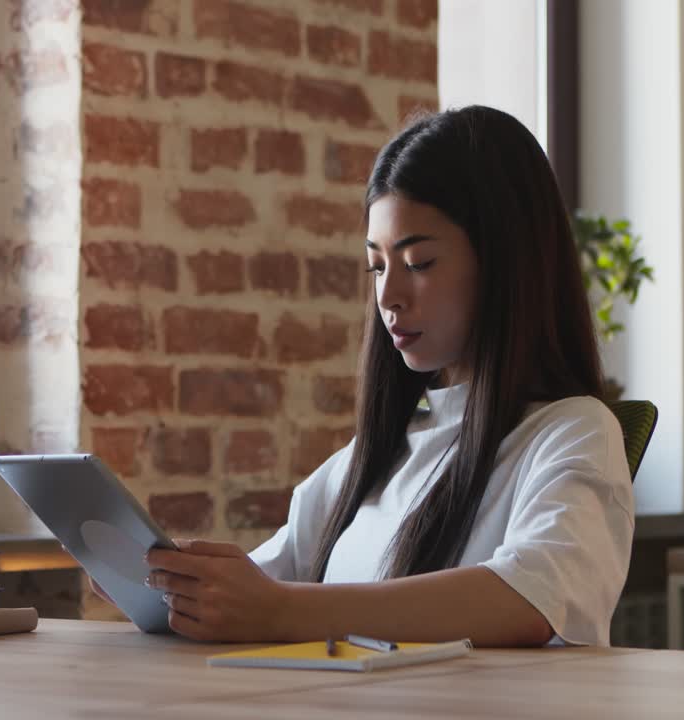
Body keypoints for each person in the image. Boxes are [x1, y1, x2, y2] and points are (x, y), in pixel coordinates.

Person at [121, 105, 633, 647]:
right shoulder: (371, 458)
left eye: (419, 264)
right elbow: (262, 586)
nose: (388, 296)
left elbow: (530, 597)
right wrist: (169, 588)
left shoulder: (574, 433)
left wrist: (280, 611)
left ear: (506, 264)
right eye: (378, 266)